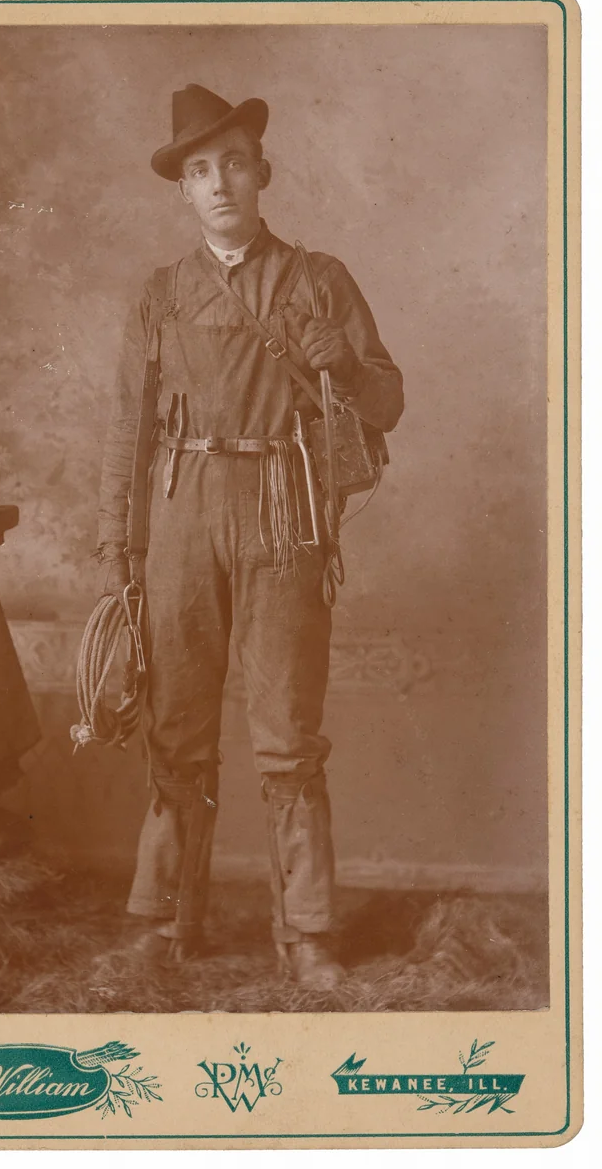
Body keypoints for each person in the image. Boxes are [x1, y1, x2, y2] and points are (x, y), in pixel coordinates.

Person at [96, 83, 403, 989]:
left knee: (287, 732)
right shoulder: (159, 295)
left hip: (283, 510)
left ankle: (306, 932)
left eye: (233, 163)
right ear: (183, 190)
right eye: (200, 170)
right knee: (175, 728)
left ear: (261, 174)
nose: (220, 182)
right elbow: (128, 430)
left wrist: (343, 364)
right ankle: (161, 923)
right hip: (181, 510)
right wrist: (118, 547)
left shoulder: (318, 279)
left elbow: (386, 401)